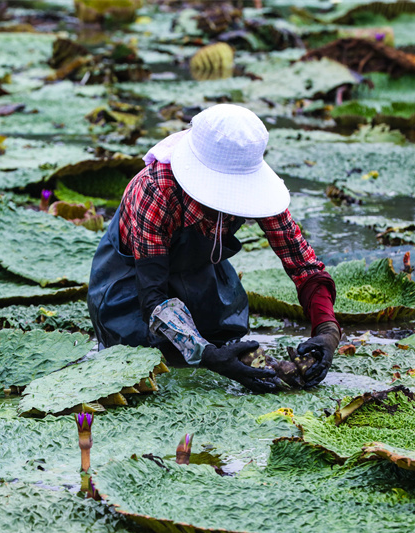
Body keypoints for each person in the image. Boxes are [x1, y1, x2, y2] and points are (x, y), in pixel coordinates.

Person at [87, 104, 340, 392]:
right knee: (147, 357)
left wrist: (327, 329)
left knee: (228, 343)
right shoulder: (155, 188)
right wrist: (206, 355)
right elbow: (153, 296)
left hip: (198, 274)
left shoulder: (257, 191)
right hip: (134, 282)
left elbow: (303, 264)